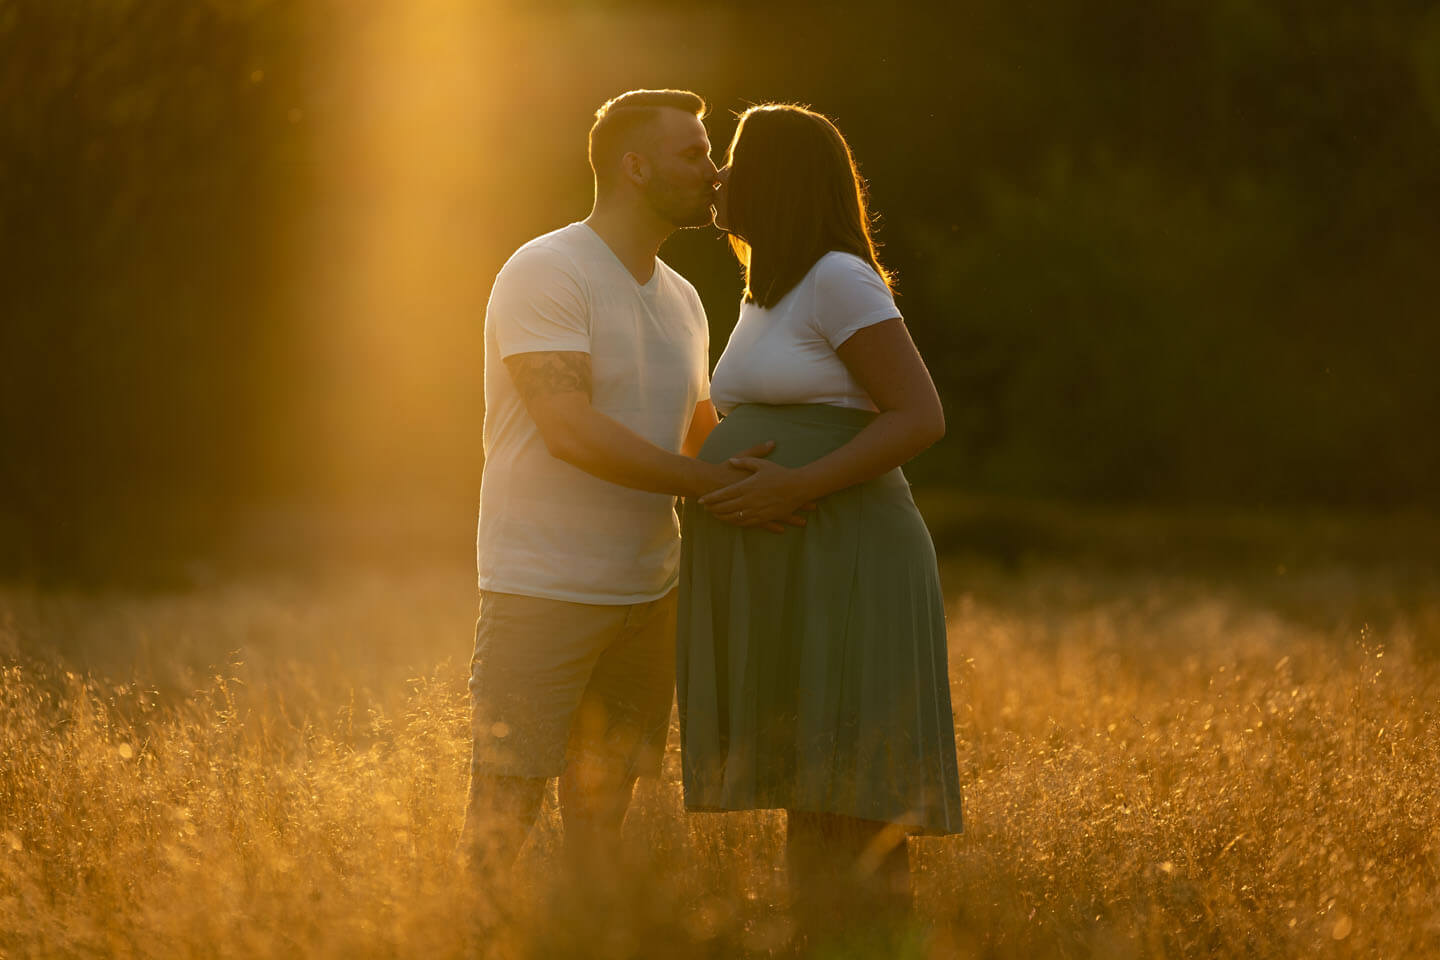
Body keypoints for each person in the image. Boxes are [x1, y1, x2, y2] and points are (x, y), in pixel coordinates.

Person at [461, 89, 803, 884]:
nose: (715, 173)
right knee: (502, 814)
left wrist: (807, 463)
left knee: (600, 825)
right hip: (542, 588)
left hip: (649, 595)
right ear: (634, 166)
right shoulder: (547, 268)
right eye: (695, 154)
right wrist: (710, 481)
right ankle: (467, 937)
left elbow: (695, 430)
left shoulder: (683, 297)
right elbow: (569, 428)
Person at [676, 104, 964, 948]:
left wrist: (789, 485)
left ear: (778, 177)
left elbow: (919, 415)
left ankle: (863, 941)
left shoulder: (840, 276)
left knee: (854, 781)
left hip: (851, 551)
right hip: (801, 555)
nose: (720, 176)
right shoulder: (769, 288)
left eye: (732, 159)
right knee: (817, 778)